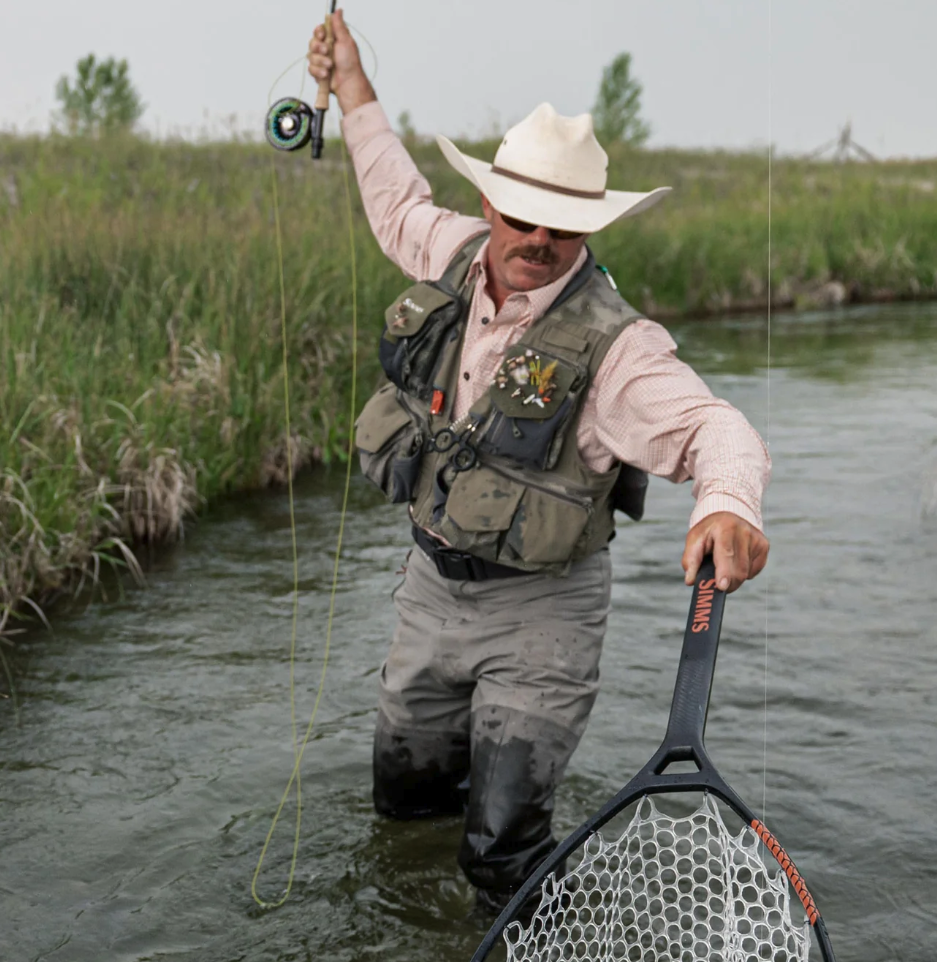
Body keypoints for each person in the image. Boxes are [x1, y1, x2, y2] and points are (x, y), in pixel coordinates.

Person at [307, 13, 770, 911]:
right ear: (488, 205)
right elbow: (392, 194)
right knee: (402, 809)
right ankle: (414, 959)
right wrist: (353, 87)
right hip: (428, 590)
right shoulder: (452, 252)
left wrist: (728, 503)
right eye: (523, 217)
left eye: (564, 226)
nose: (539, 241)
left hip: (543, 614)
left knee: (501, 851)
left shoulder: (620, 348)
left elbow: (718, 428)